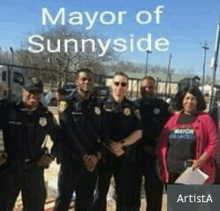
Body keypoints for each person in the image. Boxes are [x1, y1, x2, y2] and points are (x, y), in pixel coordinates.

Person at [0, 77, 61, 211]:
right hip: (10, 168)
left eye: (37, 92)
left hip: (34, 169)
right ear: (23, 91)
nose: (33, 95)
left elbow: (61, 139)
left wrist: (51, 155)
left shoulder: (45, 115)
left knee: (35, 206)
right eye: (30, 91)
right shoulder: (8, 109)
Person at [54, 68, 103, 211]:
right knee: (63, 200)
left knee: (85, 202)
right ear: (76, 81)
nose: (87, 82)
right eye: (83, 79)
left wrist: (97, 156)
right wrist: (84, 156)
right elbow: (68, 133)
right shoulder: (66, 103)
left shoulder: (98, 104)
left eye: (89, 79)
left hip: (91, 164)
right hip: (71, 162)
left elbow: (103, 133)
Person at [93, 72, 142, 211]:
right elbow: (94, 129)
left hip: (124, 156)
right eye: (117, 83)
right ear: (111, 85)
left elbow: (139, 132)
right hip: (104, 156)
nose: (120, 87)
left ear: (127, 87)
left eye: (123, 84)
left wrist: (121, 144)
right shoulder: (100, 105)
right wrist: (109, 145)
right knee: (100, 194)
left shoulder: (132, 108)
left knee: (124, 195)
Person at [157, 86, 219, 184]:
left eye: (193, 99)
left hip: (192, 171)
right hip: (172, 170)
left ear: (198, 101)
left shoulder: (205, 119)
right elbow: (163, 141)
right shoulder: (173, 119)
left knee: (188, 199)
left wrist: (200, 161)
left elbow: (214, 142)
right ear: (182, 100)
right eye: (187, 98)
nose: (189, 101)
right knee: (174, 199)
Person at [135, 76, 170, 211]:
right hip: (136, 153)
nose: (148, 90)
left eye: (151, 87)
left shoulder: (162, 106)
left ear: (155, 89)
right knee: (133, 191)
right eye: (144, 87)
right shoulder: (134, 105)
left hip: (155, 155)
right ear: (140, 89)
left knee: (154, 192)